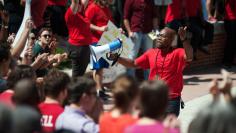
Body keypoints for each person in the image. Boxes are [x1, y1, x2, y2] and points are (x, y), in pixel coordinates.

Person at [110, 27, 193, 116]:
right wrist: (117, 58)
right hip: (153, 97)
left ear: (171, 40)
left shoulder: (177, 53)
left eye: (162, 36)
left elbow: (189, 57)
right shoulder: (151, 53)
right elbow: (134, 63)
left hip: (171, 100)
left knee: (166, 128)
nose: (159, 38)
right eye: (158, 36)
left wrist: (184, 39)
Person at [85, 0, 113, 100]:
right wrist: (99, 28)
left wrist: (117, 30)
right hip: (95, 41)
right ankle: (98, 90)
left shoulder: (106, 8)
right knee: (98, 67)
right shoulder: (92, 7)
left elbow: (109, 25)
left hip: (105, 41)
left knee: (101, 67)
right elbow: (86, 23)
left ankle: (100, 89)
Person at [124, 0, 158, 79]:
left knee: (149, 58)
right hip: (135, 32)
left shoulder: (150, 1)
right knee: (131, 57)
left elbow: (154, 16)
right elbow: (125, 18)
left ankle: (149, 80)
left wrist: (155, 30)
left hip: (149, 32)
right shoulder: (130, 1)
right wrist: (129, 31)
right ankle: (130, 81)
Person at [65, 0, 93, 77]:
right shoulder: (70, 14)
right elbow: (75, 2)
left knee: (81, 73)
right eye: (78, 4)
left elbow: (85, 1)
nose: (81, 5)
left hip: (84, 47)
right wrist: (76, 3)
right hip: (77, 48)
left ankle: (77, 87)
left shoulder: (81, 13)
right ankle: (73, 88)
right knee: (77, 75)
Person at [222, 0, 236, 68]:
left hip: (232, 19)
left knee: (233, 41)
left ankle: (231, 60)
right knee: (231, 41)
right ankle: (226, 61)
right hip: (230, 19)